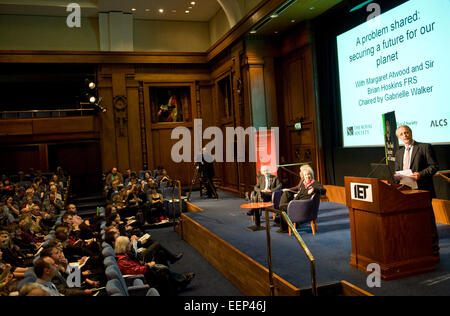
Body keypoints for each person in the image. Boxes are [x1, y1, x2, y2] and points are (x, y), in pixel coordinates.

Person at [394, 125, 440, 258]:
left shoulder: (425, 147)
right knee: (411, 221)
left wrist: (420, 174)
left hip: (422, 190)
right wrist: (396, 176)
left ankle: (434, 251)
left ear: (411, 133)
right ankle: (416, 248)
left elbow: (434, 166)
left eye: (406, 132)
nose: (405, 135)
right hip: (405, 191)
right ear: (399, 138)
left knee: (428, 221)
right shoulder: (398, 153)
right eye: (402, 134)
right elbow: (397, 171)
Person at [114, 236, 194, 296]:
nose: (130, 245)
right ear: (123, 246)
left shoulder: (126, 254)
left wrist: (144, 264)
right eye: (128, 244)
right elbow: (135, 271)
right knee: (162, 270)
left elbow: (136, 264)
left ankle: (180, 281)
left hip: (143, 270)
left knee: (161, 260)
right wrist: (148, 266)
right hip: (142, 277)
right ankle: (180, 282)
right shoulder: (122, 261)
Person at [272, 165, 326, 233]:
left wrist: (314, 189)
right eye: (306, 175)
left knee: (282, 207)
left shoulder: (314, 183)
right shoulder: (304, 184)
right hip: (298, 204)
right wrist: (293, 201)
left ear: (311, 174)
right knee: (284, 205)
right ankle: (287, 223)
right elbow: (299, 195)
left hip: (303, 206)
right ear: (303, 176)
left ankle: (285, 227)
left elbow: (323, 190)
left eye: (309, 174)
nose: (307, 176)